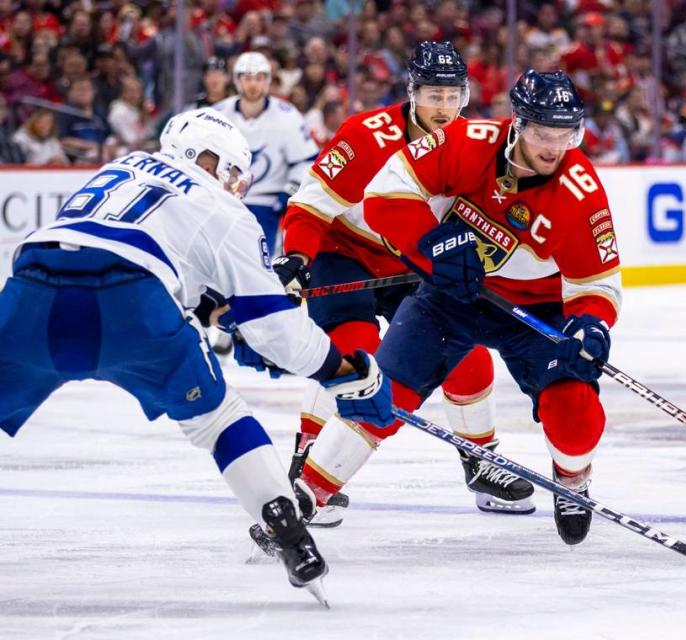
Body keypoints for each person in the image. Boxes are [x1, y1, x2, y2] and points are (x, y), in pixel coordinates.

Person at [0, 108, 393, 601]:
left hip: (33, 284)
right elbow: (279, 332)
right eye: (229, 169)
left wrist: (210, 307)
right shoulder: (222, 208)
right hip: (132, 304)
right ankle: (291, 534)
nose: (232, 183)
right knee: (219, 420)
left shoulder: (120, 166)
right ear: (205, 159)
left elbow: (123, 246)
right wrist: (344, 370)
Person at [358, 70, 621, 546]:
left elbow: (596, 282)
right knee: (382, 387)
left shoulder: (580, 190)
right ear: (518, 123)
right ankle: (307, 493)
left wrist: (592, 325)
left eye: (567, 133)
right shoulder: (470, 143)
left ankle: (572, 478)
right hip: (455, 297)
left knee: (574, 409)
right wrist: (433, 245)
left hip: (540, 310)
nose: (554, 146)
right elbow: (387, 194)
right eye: (544, 131)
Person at [278, 41, 532, 526]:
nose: (443, 107)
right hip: (344, 252)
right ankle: (308, 456)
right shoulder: (366, 136)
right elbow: (310, 204)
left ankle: (480, 460)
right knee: (355, 355)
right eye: (432, 95)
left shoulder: (475, 146)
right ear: (412, 93)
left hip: (409, 259)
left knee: (467, 355)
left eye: (452, 95)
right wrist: (296, 258)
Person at [213, 52, 318, 255]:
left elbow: (306, 161)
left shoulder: (287, 115)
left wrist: (288, 192)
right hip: (225, 203)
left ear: (268, 80)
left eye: (259, 78)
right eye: (247, 78)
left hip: (268, 204)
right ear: (237, 80)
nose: (253, 85)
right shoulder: (218, 114)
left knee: (263, 262)